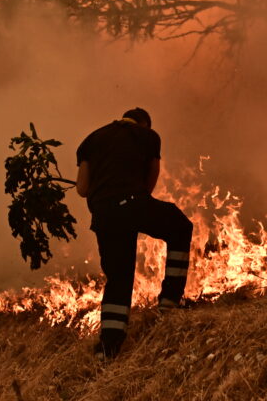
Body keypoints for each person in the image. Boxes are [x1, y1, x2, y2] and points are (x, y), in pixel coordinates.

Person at [75, 108, 193, 359]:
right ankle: (170, 302)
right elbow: (151, 178)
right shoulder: (148, 136)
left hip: (104, 215)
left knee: (119, 277)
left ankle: (108, 347)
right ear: (144, 124)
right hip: (132, 202)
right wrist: (136, 201)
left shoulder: (91, 140)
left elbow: (82, 189)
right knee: (181, 227)